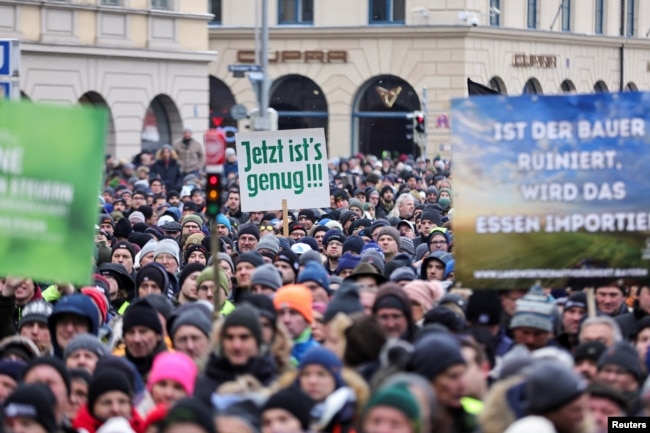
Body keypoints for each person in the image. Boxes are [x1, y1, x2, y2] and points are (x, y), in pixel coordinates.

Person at [193, 306, 277, 404]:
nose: (236, 346)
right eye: (230, 337)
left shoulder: (275, 385)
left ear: (257, 342)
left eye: (244, 337)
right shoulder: (201, 384)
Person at [72, 368, 144, 433]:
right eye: (106, 402)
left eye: (122, 401)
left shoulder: (145, 429)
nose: (115, 409)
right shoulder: (77, 430)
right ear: (92, 408)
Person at [274, 284, 319, 365]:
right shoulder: (267, 353)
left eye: (293, 313)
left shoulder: (318, 356)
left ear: (306, 318)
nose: (286, 320)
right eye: (281, 313)